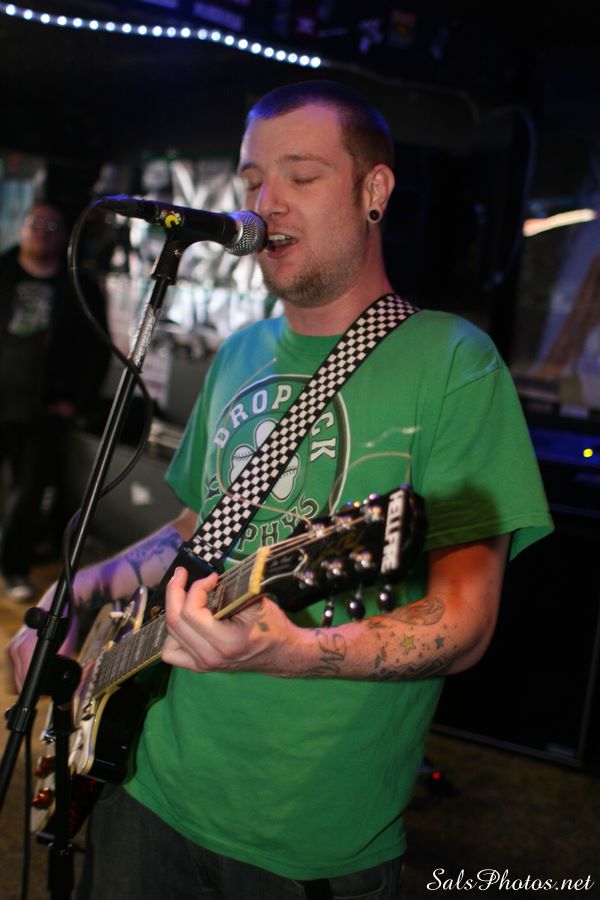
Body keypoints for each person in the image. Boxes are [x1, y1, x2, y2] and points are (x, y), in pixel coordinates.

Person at [7, 82, 553, 899]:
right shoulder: (242, 350)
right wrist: (74, 593)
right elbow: (191, 533)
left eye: (301, 175)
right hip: (145, 779)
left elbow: (466, 620)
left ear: (373, 190)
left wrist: (293, 653)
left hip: (306, 838)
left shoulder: (454, 364)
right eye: (253, 179)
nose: (266, 203)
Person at [0, 201, 108, 601]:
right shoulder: (3, 271)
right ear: (21, 228)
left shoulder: (79, 285)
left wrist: (77, 402)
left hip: (43, 408)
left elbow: (98, 349)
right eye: (35, 223)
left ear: (64, 236)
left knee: (29, 493)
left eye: (52, 226)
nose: (42, 232)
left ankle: (14, 568)